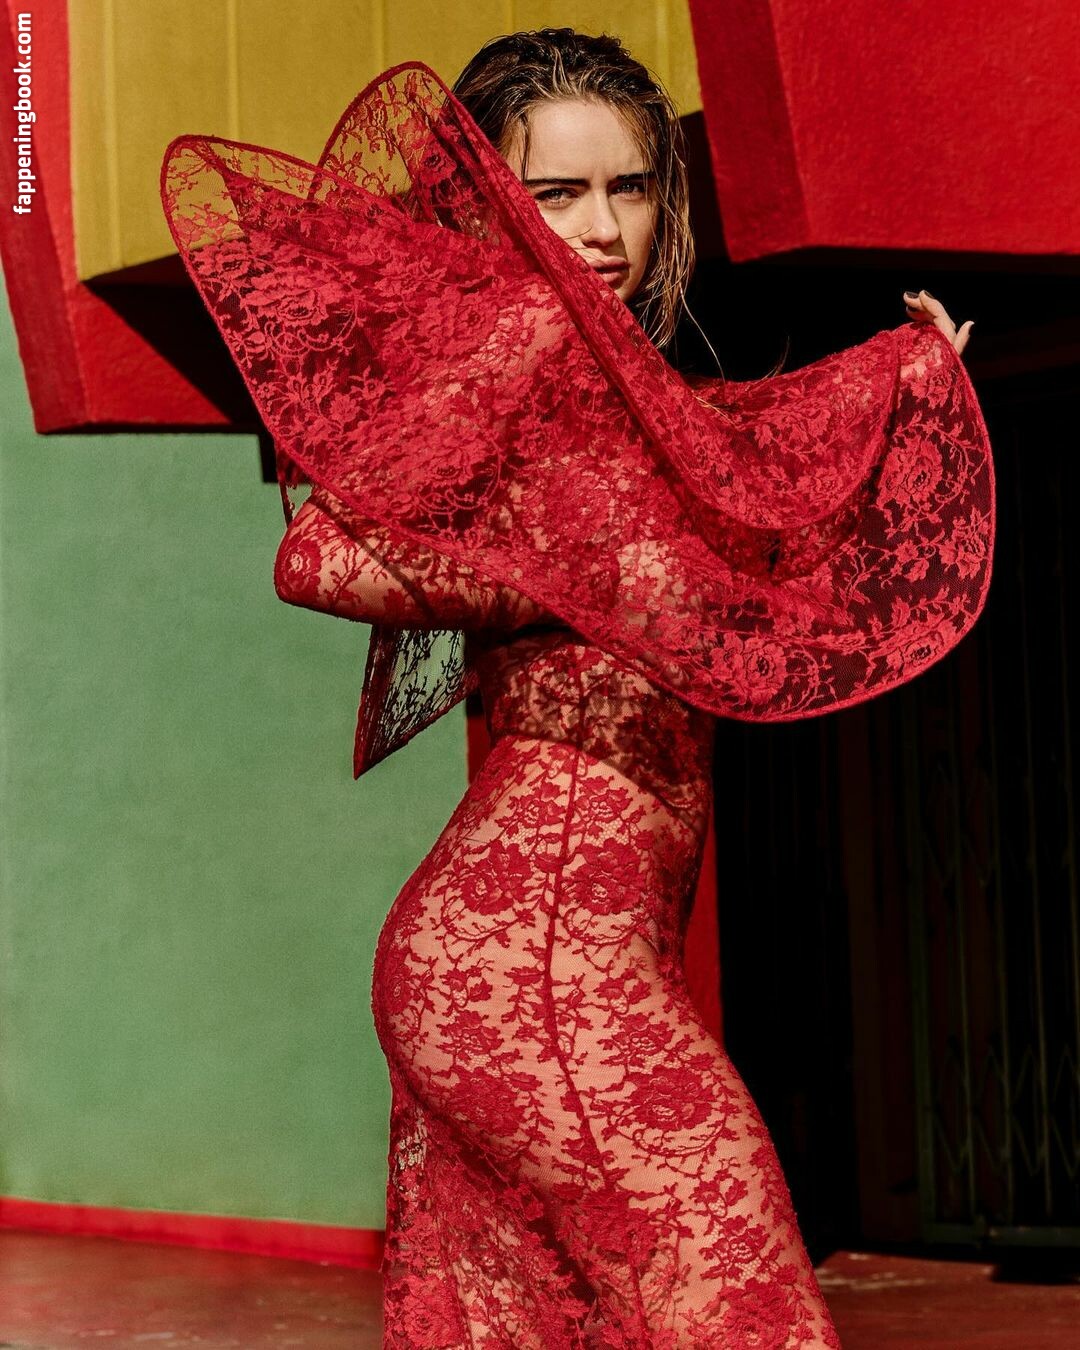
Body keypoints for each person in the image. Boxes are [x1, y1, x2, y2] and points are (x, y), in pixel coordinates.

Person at [161, 26, 990, 1348]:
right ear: (493, 205)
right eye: (556, 192)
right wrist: (564, 571)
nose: (601, 229)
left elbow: (735, 519)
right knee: (750, 1318)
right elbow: (317, 553)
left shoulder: (616, 399)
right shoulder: (524, 339)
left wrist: (903, 388)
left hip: (537, 960)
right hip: (534, 967)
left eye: (629, 187)